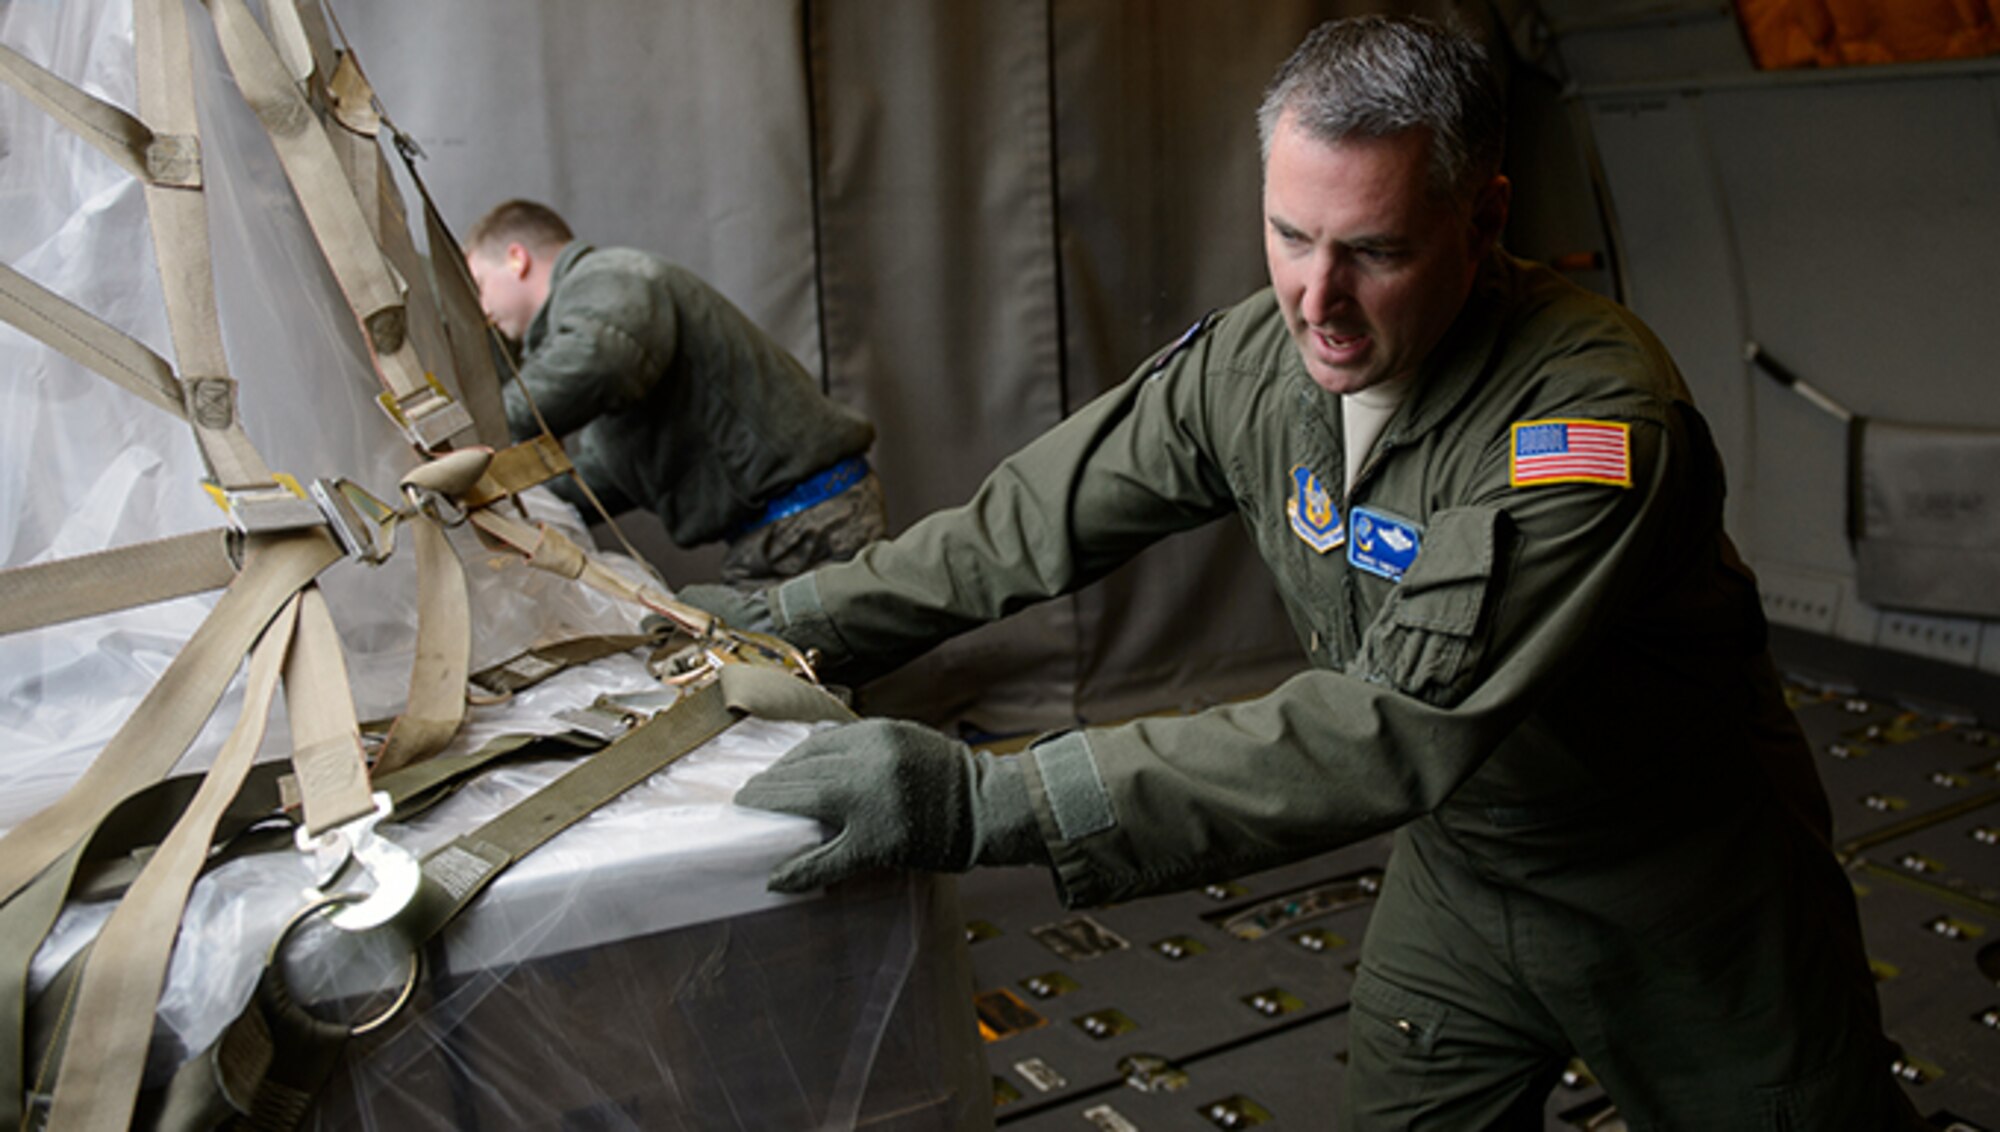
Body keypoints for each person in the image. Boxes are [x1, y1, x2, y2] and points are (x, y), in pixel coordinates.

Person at [684, 15, 1922, 1130]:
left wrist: (986, 801)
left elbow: (1378, 729)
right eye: (1288, 236)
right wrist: (780, 620)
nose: (1316, 302)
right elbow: (1020, 527)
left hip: (1680, 893)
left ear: (1484, 219)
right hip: (1465, 872)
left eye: (1372, 251)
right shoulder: (1254, 365)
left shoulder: (1586, 427)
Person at [464, 200, 886, 587]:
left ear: (517, 258)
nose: (482, 310)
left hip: (806, 528)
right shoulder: (603, 306)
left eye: (479, 284)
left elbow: (605, 352)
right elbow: (614, 471)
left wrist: (476, 437)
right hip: (791, 530)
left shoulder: (607, 276)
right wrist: (511, 507)